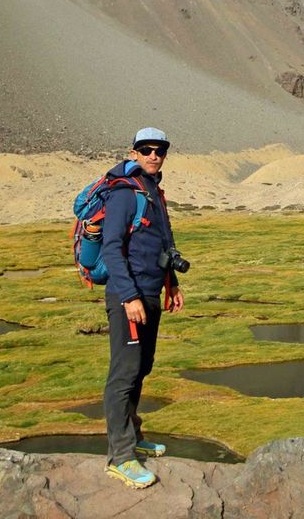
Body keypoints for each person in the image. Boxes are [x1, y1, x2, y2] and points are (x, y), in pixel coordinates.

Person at [100, 127, 185, 489]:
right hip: (128, 296)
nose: (153, 155)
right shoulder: (125, 193)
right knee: (124, 373)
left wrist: (173, 283)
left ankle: (133, 437)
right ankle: (120, 457)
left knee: (141, 368)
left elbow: (164, 242)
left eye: (159, 150)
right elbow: (110, 248)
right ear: (133, 152)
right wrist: (129, 296)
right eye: (146, 150)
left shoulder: (155, 192)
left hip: (151, 293)